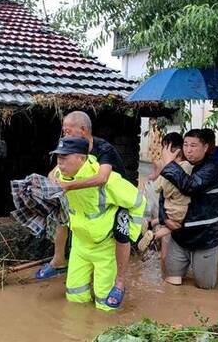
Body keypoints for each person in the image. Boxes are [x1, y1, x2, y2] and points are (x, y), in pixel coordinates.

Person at [36, 111, 131, 308]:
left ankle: (120, 282)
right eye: (64, 131)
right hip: (85, 200)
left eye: (68, 131)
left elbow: (102, 178)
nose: (65, 136)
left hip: (116, 199)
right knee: (61, 215)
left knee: (122, 233)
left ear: (83, 131)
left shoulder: (103, 149)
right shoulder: (69, 148)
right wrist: (52, 182)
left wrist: (68, 186)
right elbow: (54, 172)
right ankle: (59, 259)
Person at [50, 137, 145, 311]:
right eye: (58, 158)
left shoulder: (108, 180)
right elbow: (51, 180)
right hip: (79, 244)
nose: (60, 163)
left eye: (64, 158)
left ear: (81, 158)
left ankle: (119, 285)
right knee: (74, 296)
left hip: (104, 246)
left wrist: (127, 231)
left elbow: (138, 201)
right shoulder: (59, 176)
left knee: (105, 306)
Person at [158, 129, 218, 289]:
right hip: (180, 237)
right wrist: (165, 220)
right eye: (186, 145)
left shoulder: (213, 168)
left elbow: (191, 186)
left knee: (204, 287)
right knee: (171, 283)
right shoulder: (179, 166)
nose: (188, 149)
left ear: (205, 147)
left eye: (194, 145)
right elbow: (164, 196)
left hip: (205, 238)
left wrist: (169, 164)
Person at [143, 133, 193, 283]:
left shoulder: (174, 168)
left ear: (171, 149)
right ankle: (153, 231)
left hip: (169, 212)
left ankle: (164, 280)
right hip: (177, 214)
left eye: (164, 147)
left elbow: (161, 188)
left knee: (165, 254)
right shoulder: (189, 167)